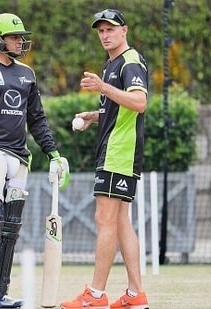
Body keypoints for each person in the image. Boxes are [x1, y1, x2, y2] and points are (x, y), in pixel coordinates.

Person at [0, 12, 70, 309]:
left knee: (9, 225)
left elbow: (37, 118)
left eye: (21, 37)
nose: (20, 41)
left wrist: (53, 153)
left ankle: (0, 293)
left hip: (19, 157)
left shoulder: (27, 74)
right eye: (15, 37)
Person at [60, 9, 149, 309]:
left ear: (124, 30)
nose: (105, 34)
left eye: (110, 29)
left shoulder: (130, 61)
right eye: (101, 30)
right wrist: (94, 116)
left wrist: (103, 88)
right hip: (116, 151)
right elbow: (120, 111)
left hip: (118, 153)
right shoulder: (112, 64)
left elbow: (139, 102)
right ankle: (136, 295)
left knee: (105, 219)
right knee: (121, 221)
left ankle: (95, 295)